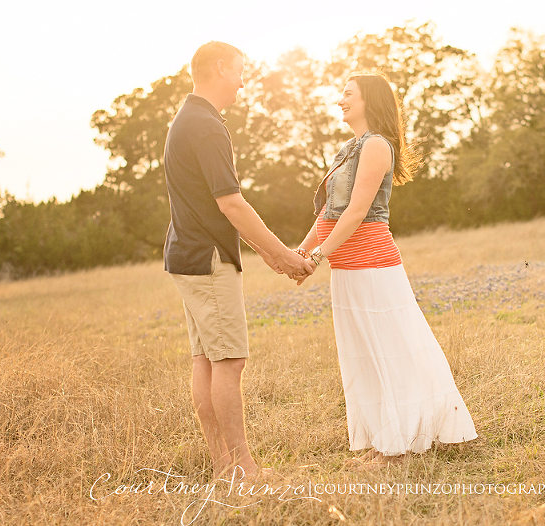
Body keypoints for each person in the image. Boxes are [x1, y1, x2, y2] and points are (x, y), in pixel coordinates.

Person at [295, 71, 477, 466]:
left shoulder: (376, 145)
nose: (339, 101)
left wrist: (316, 256)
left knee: (388, 350)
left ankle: (399, 444)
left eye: (348, 94)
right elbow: (330, 212)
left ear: (368, 101)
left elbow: (359, 211)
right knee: (362, 354)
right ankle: (383, 438)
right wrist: (302, 252)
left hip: (372, 264)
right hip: (345, 267)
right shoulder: (348, 147)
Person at [163, 41, 313, 479]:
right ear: (221, 68)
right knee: (228, 361)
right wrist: (284, 254)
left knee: (207, 360)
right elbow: (231, 204)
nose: (244, 83)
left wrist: (266, 254)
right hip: (206, 260)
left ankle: (223, 464)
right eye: (241, 72)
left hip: (188, 255)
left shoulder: (186, 118)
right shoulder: (206, 125)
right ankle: (242, 467)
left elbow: (211, 207)